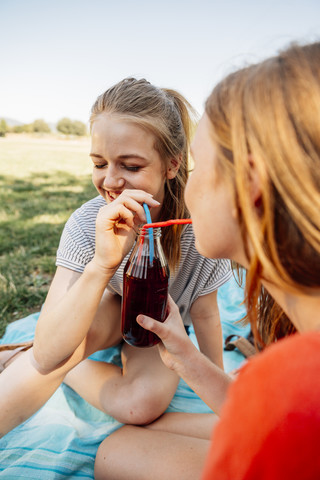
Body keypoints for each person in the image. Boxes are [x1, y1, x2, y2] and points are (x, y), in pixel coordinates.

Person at [93, 42, 320, 480]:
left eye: (195, 166)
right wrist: (189, 359)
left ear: (249, 185)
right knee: (125, 442)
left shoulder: (292, 379)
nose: (186, 185)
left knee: (116, 455)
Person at [0, 78, 232, 436]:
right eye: (99, 163)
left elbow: (204, 310)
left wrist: (216, 382)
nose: (110, 181)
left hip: (154, 325)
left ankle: (40, 361)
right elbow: (48, 354)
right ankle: (47, 359)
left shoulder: (200, 225)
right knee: (56, 351)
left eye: (131, 166)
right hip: (108, 309)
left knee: (139, 406)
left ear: (172, 165)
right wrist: (102, 264)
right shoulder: (86, 222)